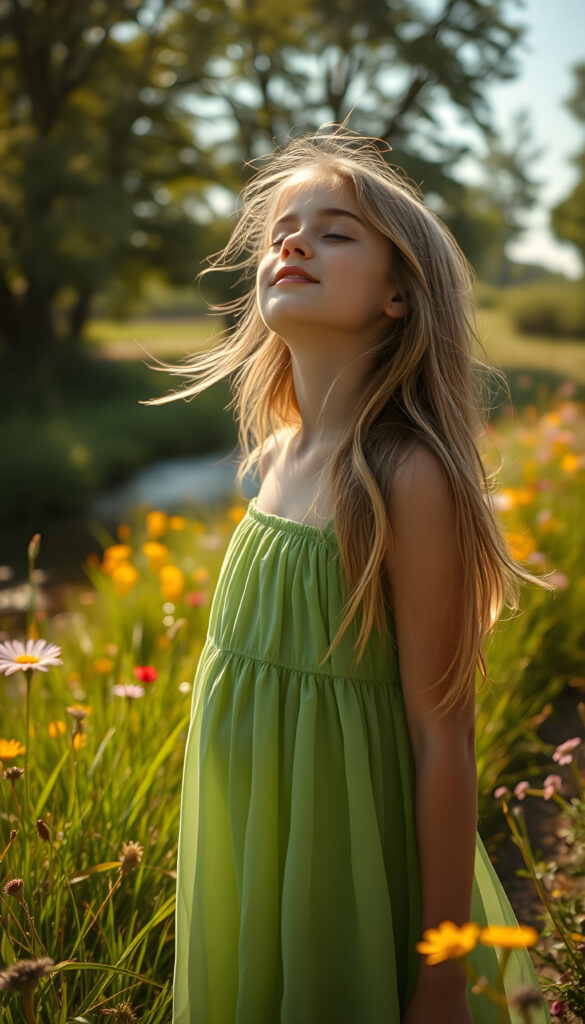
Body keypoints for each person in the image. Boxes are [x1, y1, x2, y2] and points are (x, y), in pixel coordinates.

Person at [153, 126, 552, 1023]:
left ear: (399, 296)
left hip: (346, 862)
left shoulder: (406, 476)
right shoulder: (278, 454)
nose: (292, 241)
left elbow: (440, 737)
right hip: (254, 853)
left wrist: (443, 973)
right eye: (280, 231)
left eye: (334, 232)